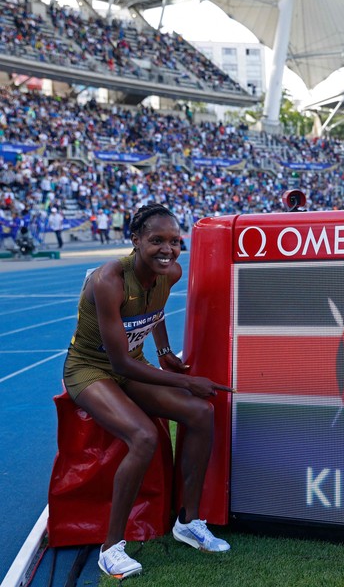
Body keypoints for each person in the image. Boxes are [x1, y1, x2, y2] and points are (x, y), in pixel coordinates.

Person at [62, 203, 234, 579]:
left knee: (201, 413)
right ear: (135, 240)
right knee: (142, 436)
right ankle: (110, 549)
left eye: (175, 241)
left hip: (132, 362)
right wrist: (187, 380)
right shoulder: (109, 280)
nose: (167, 249)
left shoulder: (170, 273)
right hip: (91, 368)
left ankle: (188, 522)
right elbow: (120, 364)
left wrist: (165, 351)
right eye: (156, 240)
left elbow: (153, 313)